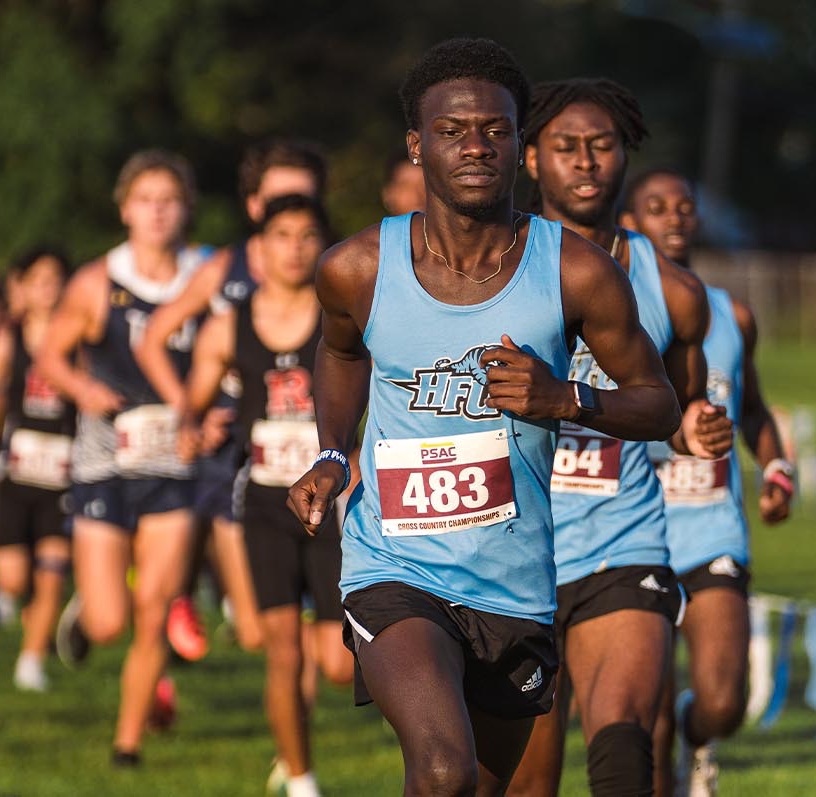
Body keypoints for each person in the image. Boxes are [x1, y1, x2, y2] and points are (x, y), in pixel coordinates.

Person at [285, 37, 681, 795]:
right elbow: (340, 355)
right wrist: (334, 453)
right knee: (441, 769)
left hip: (515, 583)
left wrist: (567, 397)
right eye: (451, 130)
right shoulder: (357, 268)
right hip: (394, 566)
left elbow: (657, 400)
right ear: (416, 144)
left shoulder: (575, 270)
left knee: (479, 788)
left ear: (518, 144)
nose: (475, 146)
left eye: (496, 130)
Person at [509, 79, 733, 797]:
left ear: (624, 155)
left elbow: (679, 411)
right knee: (525, 780)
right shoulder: (494, 269)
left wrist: (697, 430)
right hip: (512, 558)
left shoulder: (673, 292)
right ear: (533, 160)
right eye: (565, 147)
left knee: (624, 746)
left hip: (624, 541)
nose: (585, 162)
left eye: (600, 145)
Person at [620, 169, 794, 797]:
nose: (674, 218)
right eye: (656, 208)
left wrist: (776, 467)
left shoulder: (731, 314)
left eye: (684, 207)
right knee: (650, 721)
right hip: (632, 532)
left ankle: (704, 740)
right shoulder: (608, 314)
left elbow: (753, 408)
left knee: (724, 701)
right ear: (631, 223)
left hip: (712, 527)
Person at [37, 150, 209, 765]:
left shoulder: (204, 274)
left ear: (186, 208)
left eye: (169, 200)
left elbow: (230, 356)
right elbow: (50, 355)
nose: (158, 212)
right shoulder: (95, 281)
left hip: (172, 463)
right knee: (111, 622)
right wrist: (84, 390)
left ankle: (127, 743)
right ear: (125, 209)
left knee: (154, 607)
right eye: (146, 200)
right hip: (104, 460)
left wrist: (210, 412)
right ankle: (87, 610)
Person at [181, 194, 351, 797]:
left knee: (339, 665)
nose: (296, 247)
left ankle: (302, 736)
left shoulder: (344, 317)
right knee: (281, 653)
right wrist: (193, 426)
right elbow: (194, 397)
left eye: (308, 235)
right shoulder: (230, 322)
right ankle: (301, 778)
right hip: (264, 505)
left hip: (333, 506)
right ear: (260, 246)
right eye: (282, 234)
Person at [136, 138, 327, 660]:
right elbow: (155, 336)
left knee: (310, 635)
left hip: (318, 454)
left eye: (303, 200)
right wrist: (190, 411)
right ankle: (184, 593)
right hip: (239, 455)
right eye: (278, 202)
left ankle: (293, 738)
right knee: (259, 632)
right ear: (254, 208)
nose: (292, 218)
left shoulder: (333, 272)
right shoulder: (225, 268)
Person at [0, 250, 75, 692]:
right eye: (38, 279)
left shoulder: (79, 339)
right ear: (22, 287)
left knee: (51, 570)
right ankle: (33, 616)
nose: (48, 287)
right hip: (16, 472)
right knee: (12, 577)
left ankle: (31, 661)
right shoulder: (9, 339)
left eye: (56, 278)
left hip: (62, 475)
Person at [381, 152, 427, 216]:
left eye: (423, 185)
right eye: (406, 187)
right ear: (388, 194)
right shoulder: (380, 226)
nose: (416, 196)